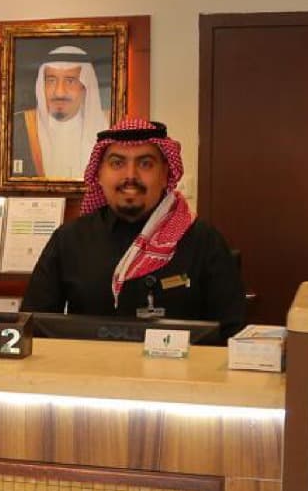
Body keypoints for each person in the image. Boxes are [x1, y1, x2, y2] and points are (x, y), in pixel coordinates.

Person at [21, 117, 246, 337]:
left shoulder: (203, 241)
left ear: (165, 174)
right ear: (99, 174)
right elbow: (32, 328)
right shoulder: (69, 240)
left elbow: (232, 335)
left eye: (145, 163)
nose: (130, 176)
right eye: (117, 163)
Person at [11, 44, 110, 179]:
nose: (59, 92)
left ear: (85, 87)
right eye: (51, 81)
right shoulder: (18, 126)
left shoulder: (108, 125)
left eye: (70, 81)